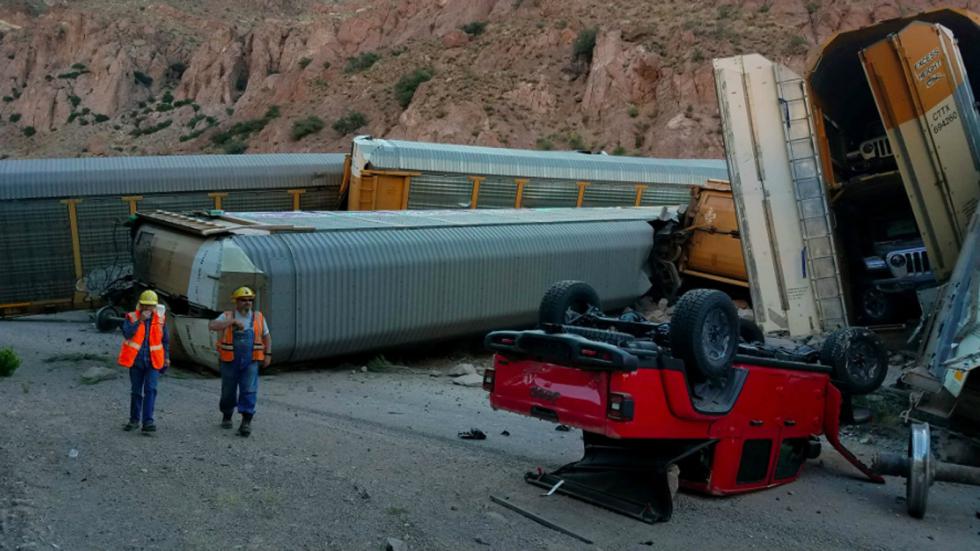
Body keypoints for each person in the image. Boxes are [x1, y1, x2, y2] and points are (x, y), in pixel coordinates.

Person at [208, 286, 271, 437]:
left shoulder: (258, 317)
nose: (247, 303)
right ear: (236, 301)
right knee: (228, 391)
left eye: (250, 300)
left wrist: (268, 354)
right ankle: (227, 415)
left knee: (249, 390)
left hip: (251, 361)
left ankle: (246, 422)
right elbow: (212, 326)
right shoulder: (228, 315)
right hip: (229, 361)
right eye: (243, 300)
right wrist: (230, 322)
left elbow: (267, 336)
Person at [118, 289, 170, 434]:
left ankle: (148, 422)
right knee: (136, 392)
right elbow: (127, 333)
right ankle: (134, 420)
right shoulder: (132, 317)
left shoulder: (160, 319)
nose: (147, 308)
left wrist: (167, 357)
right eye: (145, 305)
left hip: (153, 362)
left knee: (151, 390)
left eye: (150, 305)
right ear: (140, 304)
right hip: (136, 362)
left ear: (155, 306)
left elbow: (165, 340)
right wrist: (140, 321)